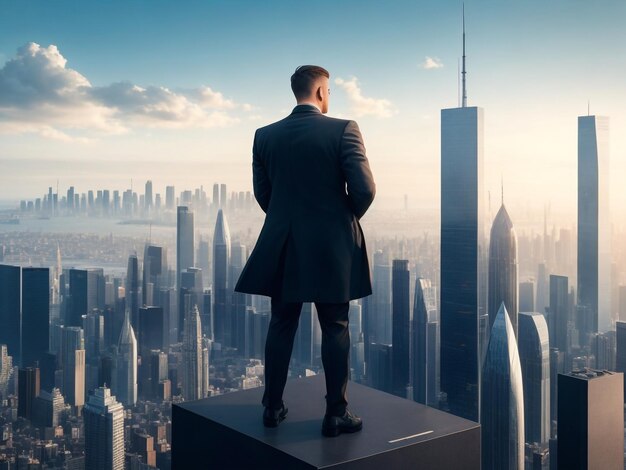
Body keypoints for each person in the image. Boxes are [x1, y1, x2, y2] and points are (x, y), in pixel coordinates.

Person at [234, 65, 376, 438]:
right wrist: (339, 220)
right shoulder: (345, 129)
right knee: (336, 325)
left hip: (285, 243)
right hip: (333, 248)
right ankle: (336, 413)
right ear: (319, 91)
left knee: (281, 323)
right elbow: (365, 189)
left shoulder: (264, 136)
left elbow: (265, 195)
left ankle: (272, 406)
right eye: (329, 90)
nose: (330, 96)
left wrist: (290, 221)